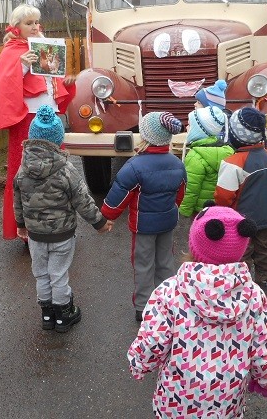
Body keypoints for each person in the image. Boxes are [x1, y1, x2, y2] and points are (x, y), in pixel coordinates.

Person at [127, 204, 267, 418]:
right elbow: (263, 346)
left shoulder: (170, 291)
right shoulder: (254, 295)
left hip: (176, 400)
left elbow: (153, 340)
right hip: (227, 401)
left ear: (194, 244)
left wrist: (139, 363)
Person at [14, 105, 112, 333]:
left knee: (41, 273)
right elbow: (82, 200)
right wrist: (99, 222)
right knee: (58, 274)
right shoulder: (66, 169)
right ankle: (64, 315)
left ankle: (47, 315)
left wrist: (20, 225)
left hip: (36, 236)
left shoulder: (22, 169)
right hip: (62, 235)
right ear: (58, 139)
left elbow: (17, 199)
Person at [0, 4, 76, 242]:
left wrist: (66, 82)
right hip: (27, 118)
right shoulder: (12, 51)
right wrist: (22, 64)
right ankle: (25, 229)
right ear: (16, 28)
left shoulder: (46, 46)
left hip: (50, 115)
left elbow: (50, 83)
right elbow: (3, 85)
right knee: (26, 170)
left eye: (36, 22)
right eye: (29, 23)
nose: (35, 27)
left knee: (57, 167)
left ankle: (58, 221)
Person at [101, 111, 187, 322]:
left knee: (143, 263)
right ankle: (169, 302)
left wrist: (107, 216)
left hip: (142, 227)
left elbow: (118, 195)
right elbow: (180, 195)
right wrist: (170, 208)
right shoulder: (177, 164)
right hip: (167, 222)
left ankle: (143, 306)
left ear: (145, 137)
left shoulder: (134, 166)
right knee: (166, 261)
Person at [214, 107, 267, 298]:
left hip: (239, 220)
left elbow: (223, 196)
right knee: (263, 249)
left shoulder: (233, 162)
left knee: (242, 252)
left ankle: (241, 288)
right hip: (263, 217)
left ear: (235, 134)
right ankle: (265, 283)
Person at [178, 106, 233, 219]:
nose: (187, 127)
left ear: (199, 130)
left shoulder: (195, 156)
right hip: (220, 208)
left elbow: (191, 189)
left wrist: (184, 210)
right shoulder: (227, 151)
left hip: (200, 210)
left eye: (190, 125)